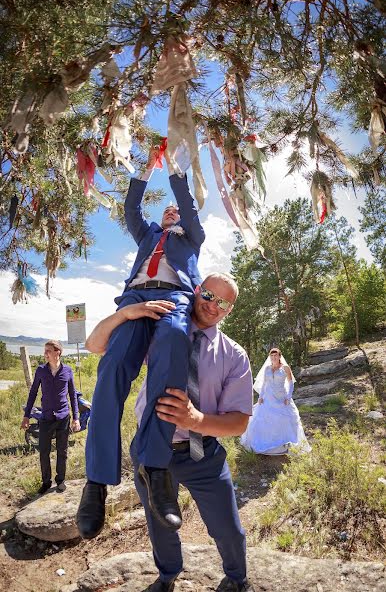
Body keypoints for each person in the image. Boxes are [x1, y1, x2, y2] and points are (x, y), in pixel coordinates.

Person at [84, 273, 255, 592]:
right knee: (159, 526)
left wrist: (196, 419)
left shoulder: (234, 356)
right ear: (196, 290)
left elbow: (239, 421)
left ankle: (236, 577)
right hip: (151, 454)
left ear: (229, 310)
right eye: (208, 295)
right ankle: (167, 575)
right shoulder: (160, 329)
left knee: (227, 527)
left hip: (203, 454)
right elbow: (94, 345)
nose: (213, 306)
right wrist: (125, 313)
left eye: (223, 303)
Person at [77, 147, 205, 539]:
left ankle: (155, 467)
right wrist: (149, 165)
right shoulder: (147, 234)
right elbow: (131, 208)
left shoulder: (192, 237)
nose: (171, 212)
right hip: (135, 299)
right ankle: (96, 481)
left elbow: (186, 203)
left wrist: (174, 168)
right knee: (112, 368)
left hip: (175, 298)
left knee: (173, 345)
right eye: (166, 211)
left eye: (175, 212)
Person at [21, 340, 80, 494]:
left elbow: (72, 395)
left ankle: (60, 480)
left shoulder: (67, 371)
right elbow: (33, 392)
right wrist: (26, 416)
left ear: (57, 352)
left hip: (63, 417)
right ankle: (46, 482)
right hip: (46, 417)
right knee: (44, 451)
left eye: (48, 350)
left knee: (62, 450)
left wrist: (76, 418)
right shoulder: (41, 370)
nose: (45, 353)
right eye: (45, 350)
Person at [240, 348, 311, 455]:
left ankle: (284, 443)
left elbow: (291, 383)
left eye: (276, 356)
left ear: (279, 356)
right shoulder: (267, 368)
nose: (274, 358)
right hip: (268, 397)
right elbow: (264, 384)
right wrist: (261, 396)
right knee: (262, 418)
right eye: (272, 356)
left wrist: (288, 397)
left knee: (283, 419)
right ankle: (266, 442)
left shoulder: (285, 368)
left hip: (281, 398)